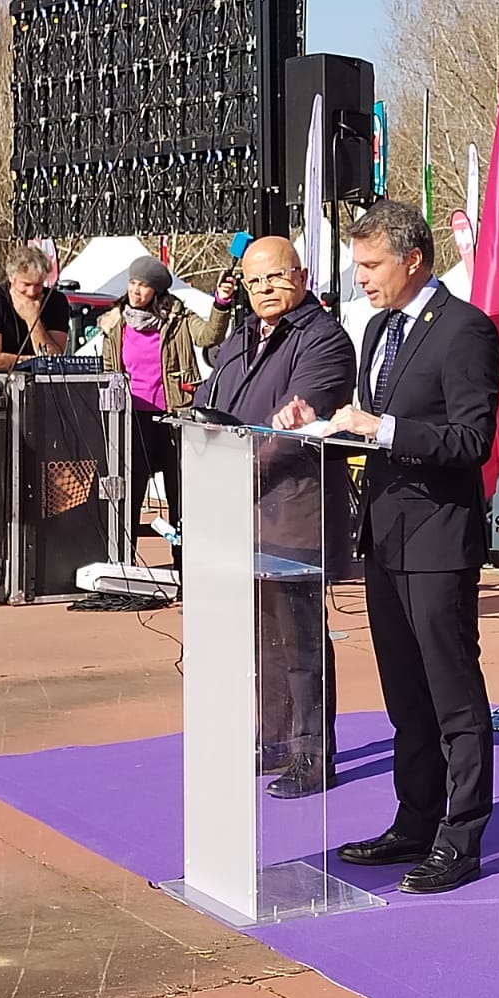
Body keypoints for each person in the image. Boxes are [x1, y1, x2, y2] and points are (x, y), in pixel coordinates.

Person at [317, 198, 499, 896]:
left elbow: (471, 440)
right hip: (384, 537)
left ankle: (462, 834)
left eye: (371, 264)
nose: (360, 277)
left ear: (412, 259)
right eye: (357, 264)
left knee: (451, 693)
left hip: (438, 538)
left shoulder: (465, 331)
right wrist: (327, 426)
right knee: (404, 696)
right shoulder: (377, 331)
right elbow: (373, 426)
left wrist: (385, 427)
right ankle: (415, 818)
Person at [199, 236, 356, 799]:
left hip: (293, 512)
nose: (264, 289)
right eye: (254, 280)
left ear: (304, 275)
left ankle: (313, 753)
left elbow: (294, 425)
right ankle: (271, 740)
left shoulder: (325, 339)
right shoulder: (240, 338)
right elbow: (212, 406)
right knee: (260, 640)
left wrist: (233, 473)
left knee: (300, 642)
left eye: (276, 277)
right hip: (240, 512)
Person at [97, 255, 231, 548]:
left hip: (173, 417)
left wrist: (221, 304)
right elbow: (109, 371)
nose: (136, 291)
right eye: (133, 283)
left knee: (179, 494)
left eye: (143, 286)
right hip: (131, 418)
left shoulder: (178, 317)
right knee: (129, 493)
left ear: (157, 291)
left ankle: (183, 563)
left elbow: (210, 335)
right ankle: (124, 562)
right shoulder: (114, 322)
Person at [0, 245, 71, 370]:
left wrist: (33, 321)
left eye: (38, 285)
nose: (32, 291)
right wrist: (32, 361)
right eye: (26, 284)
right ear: (11, 278)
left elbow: (54, 360)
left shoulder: (56, 301)